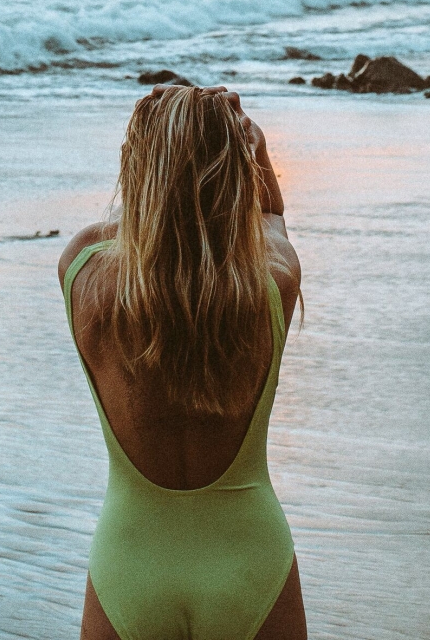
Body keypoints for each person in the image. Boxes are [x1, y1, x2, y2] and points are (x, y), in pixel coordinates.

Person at [58, 85, 306, 640]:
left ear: (138, 173)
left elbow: (138, 236)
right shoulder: (273, 282)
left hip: (130, 559)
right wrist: (253, 149)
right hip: (249, 557)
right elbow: (268, 214)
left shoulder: (83, 274)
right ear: (233, 171)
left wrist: (157, 158)